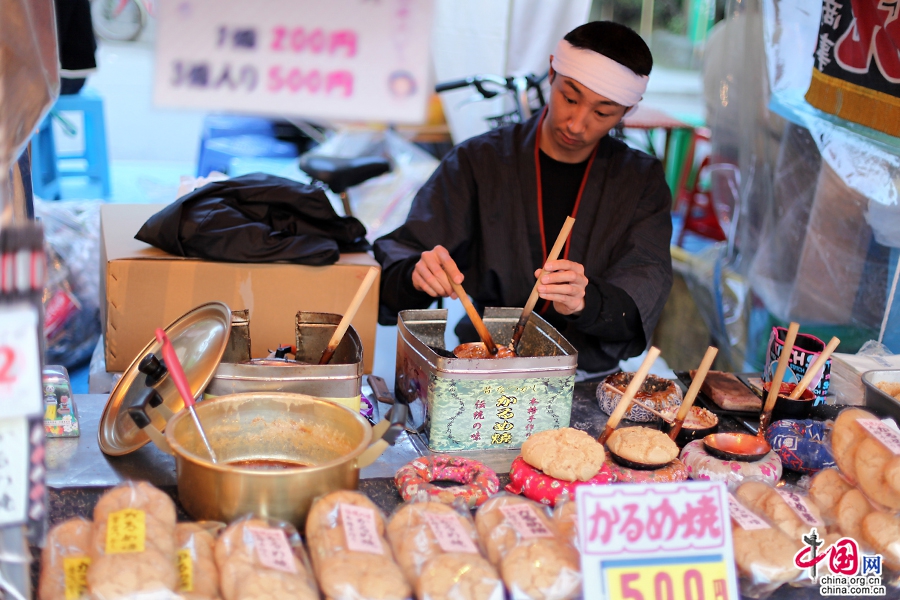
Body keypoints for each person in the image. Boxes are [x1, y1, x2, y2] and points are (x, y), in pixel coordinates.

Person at [374, 21, 673, 376]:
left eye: (602, 112)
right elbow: (396, 272)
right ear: (551, 72)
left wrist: (586, 301)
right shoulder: (479, 161)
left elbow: (640, 303)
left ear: (627, 111)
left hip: (589, 378)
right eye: (570, 98)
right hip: (481, 366)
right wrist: (416, 274)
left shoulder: (640, 180)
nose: (577, 124)